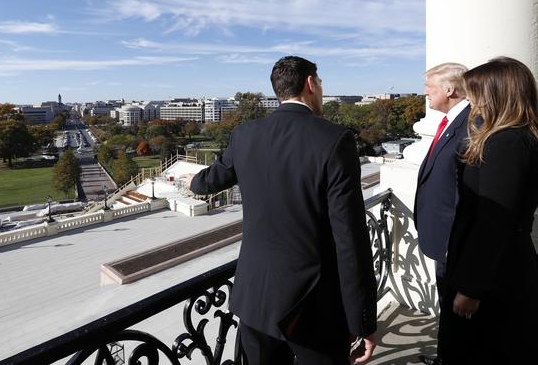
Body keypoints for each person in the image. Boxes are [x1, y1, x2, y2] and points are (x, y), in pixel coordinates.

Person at [188, 56, 377, 365]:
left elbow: (210, 180)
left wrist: (192, 181)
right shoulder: (335, 140)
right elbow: (350, 238)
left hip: (255, 300)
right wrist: (363, 320)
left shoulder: (245, 134)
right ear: (311, 84)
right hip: (311, 305)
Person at [438, 57, 538, 364]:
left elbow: (493, 221)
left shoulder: (506, 143)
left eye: (476, 94)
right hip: (502, 270)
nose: (471, 102)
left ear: (496, 95)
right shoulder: (519, 137)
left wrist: (471, 288)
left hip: (495, 279)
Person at [414, 63, 469, 302]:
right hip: (445, 238)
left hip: (454, 241)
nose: (425, 92)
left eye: (429, 87)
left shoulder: (470, 126)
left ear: (449, 90)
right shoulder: (451, 122)